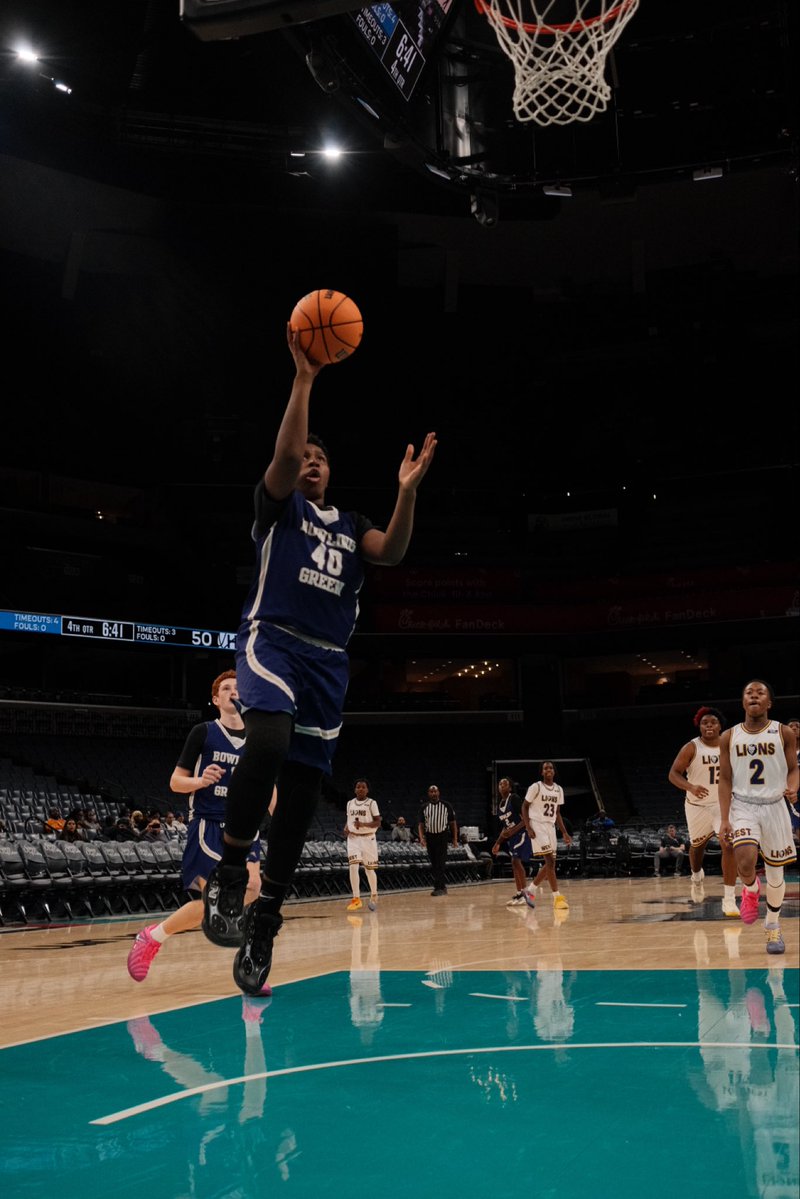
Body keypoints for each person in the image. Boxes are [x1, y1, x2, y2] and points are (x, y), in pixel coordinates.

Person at [200, 326, 436, 996]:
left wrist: (408, 489)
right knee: (268, 739)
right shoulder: (278, 512)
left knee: (303, 795)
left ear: (331, 471)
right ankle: (228, 875)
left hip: (329, 664)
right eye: (302, 455)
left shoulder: (349, 522)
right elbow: (281, 456)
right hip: (272, 640)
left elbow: (389, 549)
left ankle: (266, 920)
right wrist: (304, 380)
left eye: (319, 458)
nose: (309, 461)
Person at [127, 670, 270, 986]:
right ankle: (153, 936)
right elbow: (176, 782)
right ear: (216, 699)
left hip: (246, 827)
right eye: (226, 688)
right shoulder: (203, 733)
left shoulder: (258, 739)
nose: (233, 692)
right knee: (212, 903)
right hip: (208, 824)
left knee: (253, 888)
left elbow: (268, 786)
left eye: (239, 688)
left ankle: (247, 962)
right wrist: (201, 780)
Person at [718, 679, 798, 955]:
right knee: (746, 860)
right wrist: (725, 818)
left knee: (776, 876)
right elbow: (725, 779)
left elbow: (793, 768)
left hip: (775, 805)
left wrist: (793, 788)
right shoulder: (729, 736)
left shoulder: (783, 732)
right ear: (743, 702)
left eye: (760, 692)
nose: (753, 696)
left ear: (769, 703)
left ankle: (772, 926)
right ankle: (750, 890)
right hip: (743, 805)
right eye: (748, 693)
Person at [667, 704, 740, 915]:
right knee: (697, 847)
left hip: (722, 804)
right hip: (696, 806)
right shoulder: (691, 747)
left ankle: (729, 899)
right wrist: (690, 786)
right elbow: (673, 774)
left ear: (720, 726)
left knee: (729, 844)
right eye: (704, 722)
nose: (709, 725)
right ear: (699, 727)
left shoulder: (729, 746)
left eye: (713, 722)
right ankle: (696, 876)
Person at [521, 761, 572, 911]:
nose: (548, 770)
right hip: (537, 825)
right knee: (549, 860)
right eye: (545, 768)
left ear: (554, 772)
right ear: (542, 772)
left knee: (551, 863)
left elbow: (557, 813)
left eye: (550, 768)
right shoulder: (536, 787)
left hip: (550, 826)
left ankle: (530, 890)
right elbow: (524, 806)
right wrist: (528, 826)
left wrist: (564, 831)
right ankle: (557, 898)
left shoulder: (558, 789)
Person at [491, 776, 533, 906]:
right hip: (512, 837)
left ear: (509, 787)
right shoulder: (500, 805)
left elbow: (526, 818)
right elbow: (505, 828)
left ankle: (526, 894)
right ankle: (520, 893)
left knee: (515, 861)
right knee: (514, 863)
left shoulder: (514, 798)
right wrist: (497, 843)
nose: (502, 786)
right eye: (500, 784)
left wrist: (514, 831)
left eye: (505, 784)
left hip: (522, 834)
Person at [343, 777, 381, 912]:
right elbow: (349, 819)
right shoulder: (349, 803)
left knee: (369, 869)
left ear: (367, 789)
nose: (360, 789)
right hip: (353, 839)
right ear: (354, 790)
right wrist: (346, 828)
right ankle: (356, 899)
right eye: (358, 787)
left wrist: (363, 824)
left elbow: (378, 822)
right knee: (353, 866)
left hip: (368, 838)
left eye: (363, 787)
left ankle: (374, 894)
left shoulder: (372, 803)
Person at [417, 784, 458, 896]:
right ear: (428, 793)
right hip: (430, 836)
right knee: (434, 863)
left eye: (435, 791)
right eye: (431, 791)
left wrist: (455, 839)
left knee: (441, 862)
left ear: (438, 793)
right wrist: (421, 838)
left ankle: (438, 887)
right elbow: (420, 825)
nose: (433, 793)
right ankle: (442, 886)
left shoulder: (446, 805)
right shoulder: (424, 807)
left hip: (442, 836)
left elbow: (453, 824)